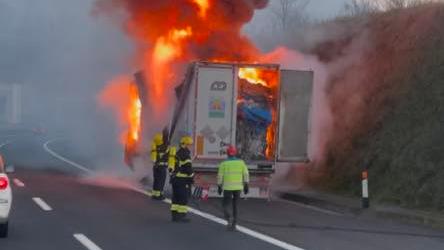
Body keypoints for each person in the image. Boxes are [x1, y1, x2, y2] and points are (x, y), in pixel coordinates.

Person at [217, 145, 249, 231]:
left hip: (227, 188)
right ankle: (234, 225)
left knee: (225, 205)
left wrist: (219, 186)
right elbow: (246, 174)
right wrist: (246, 185)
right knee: (235, 205)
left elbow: (220, 176)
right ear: (235, 153)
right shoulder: (241, 163)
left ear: (227, 153)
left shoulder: (223, 164)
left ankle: (229, 217)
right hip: (238, 188)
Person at [170, 136, 194, 222]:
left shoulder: (177, 153)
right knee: (183, 198)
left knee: (175, 197)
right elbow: (188, 169)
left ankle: (175, 216)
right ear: (186, 145)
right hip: (182, 180)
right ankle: (181, 216)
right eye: (190, 145)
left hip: (175, 179)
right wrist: (191, 177)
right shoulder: (185, 155)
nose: (191, 146)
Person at [150, 132, 175, 200]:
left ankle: (154, 194)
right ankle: (159, 195)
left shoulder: (155, 147)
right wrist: (171, 168)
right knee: (161, 181)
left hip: (155, 166)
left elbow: (153, 158)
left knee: (156, 180)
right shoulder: (166, 148)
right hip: (162, 167)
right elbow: (171, 158)